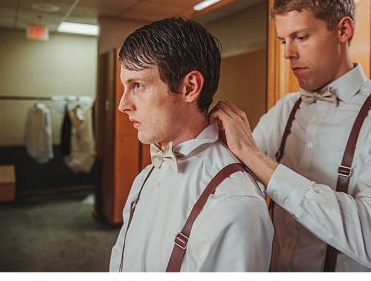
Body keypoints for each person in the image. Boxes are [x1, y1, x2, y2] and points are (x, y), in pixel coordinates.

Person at [211, 0, 371, 271]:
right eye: (283, 40)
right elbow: (233, 177)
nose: (288, 52)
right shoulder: (285, 109)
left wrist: (255, 157)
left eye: (301, 37)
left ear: (343, 30)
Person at [108, 17, 273, 272]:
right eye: (125, 87)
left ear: (189, 87)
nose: (123, 104)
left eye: (138, 85)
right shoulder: (145, 176)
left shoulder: (233, 202)